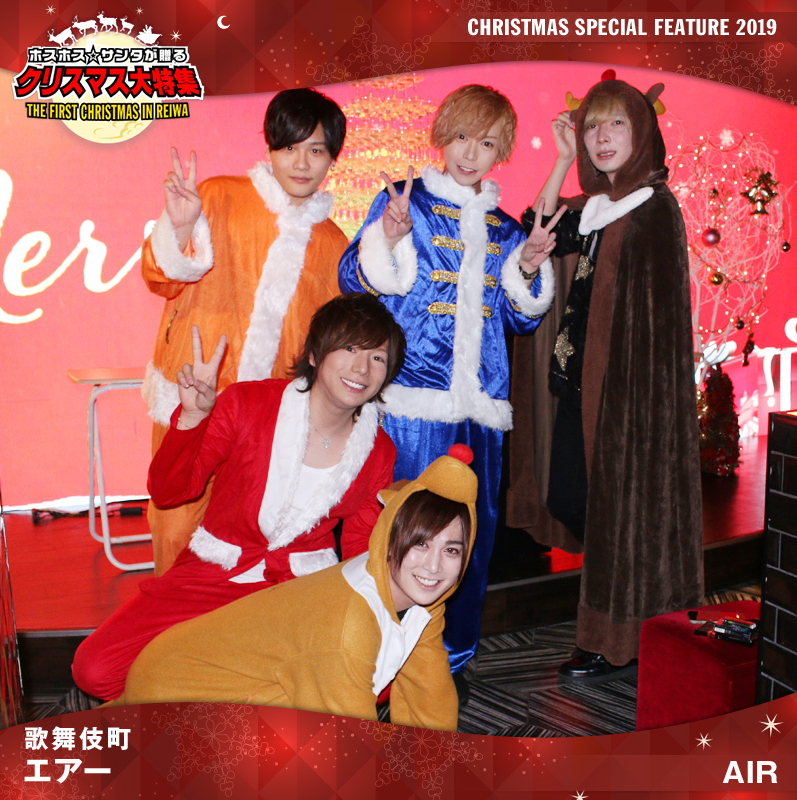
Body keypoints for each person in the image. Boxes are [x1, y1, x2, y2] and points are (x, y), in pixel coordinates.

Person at [72, 293, 406, 701]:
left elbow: (359, 546)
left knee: (376, 679)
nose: (362, 368)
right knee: (96, 669)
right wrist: (193, 418)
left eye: (377, 357)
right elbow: (170, 491)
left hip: (296, 591)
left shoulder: (377, 449)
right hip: (214, 574)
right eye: (350, 348)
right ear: (315, 354)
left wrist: (376, 614)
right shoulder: (248, 403)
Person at [338, 84, 562, 679]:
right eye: (462, 136)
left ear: (501, 153)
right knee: (401, 531)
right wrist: (388, 236)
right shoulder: (404, 202)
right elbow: (354, 282)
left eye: (486, 143)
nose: (470, 153)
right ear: (442, 136)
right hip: (411, 406)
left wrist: (529, 268)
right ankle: (376, 660)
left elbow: (519, 317)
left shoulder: (507, 230)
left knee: (469, 541)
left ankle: (450, 662)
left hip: (481, 411)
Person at [515, 73, 704, 683]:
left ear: (642, 132)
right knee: (572, 500)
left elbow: (660, 331)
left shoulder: (654, 208)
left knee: (615, 514)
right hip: (581, 387)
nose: (601, 137)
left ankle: (614, 640)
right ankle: (630, 625)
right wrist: (560, 160)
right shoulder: (598, 207)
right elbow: (538, 226)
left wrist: (637, 407)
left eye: (616, 123)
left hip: (628, 402)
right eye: (592, 126)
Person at [112, 447, 478, 731]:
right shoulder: (349, 625)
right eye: (421, 544)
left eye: (451, 550)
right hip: (175, 691)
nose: (434, 566)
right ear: (390, 537)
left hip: (223, 681)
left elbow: (427, 698)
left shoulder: (420, 601)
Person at [142, 87, 349, 575]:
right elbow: (160, 277)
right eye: (290, 147)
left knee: (252, 541)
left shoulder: (333, 244)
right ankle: (171, 623)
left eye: (317, 150)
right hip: (194, 394)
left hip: (268, 420)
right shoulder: (217, 196)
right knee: (176, 524)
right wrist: (178, 229)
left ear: (332, 159)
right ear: (270, 147)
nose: (302, 163)